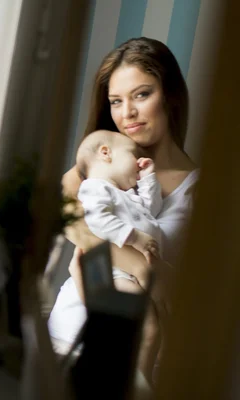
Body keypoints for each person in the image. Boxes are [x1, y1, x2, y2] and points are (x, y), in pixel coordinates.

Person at [48, 37, 199, 385]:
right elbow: (77, 225)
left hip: (139, 367)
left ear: (171, 94)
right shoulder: (96, 171)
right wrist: (145, 272)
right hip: (67, 335)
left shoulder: (203, 191)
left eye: (141, 95)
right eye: (116, 101)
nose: (126, 113)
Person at [73, 129, 163, 381]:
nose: (137, 162)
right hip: (113, 273)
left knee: (151, 330)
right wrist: (137, 238)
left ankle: (136, 380)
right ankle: (136, 383)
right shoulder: (94, 188)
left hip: (132, 275)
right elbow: (97, 221)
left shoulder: (127, 195)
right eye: (133, 155)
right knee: (147, 328)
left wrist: (147, 179)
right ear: (106, 153)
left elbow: (151, 211)